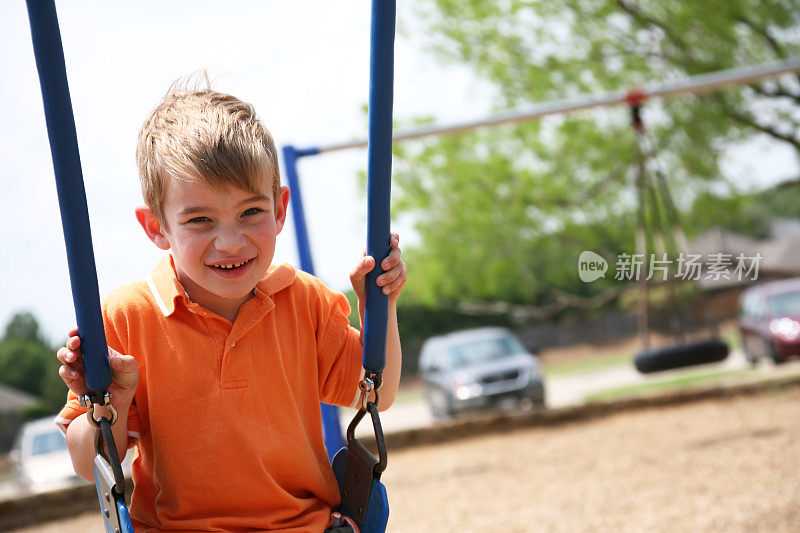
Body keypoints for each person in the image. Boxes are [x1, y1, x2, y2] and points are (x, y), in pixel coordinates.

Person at [54, 81, 406, 532]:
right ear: (156, 226)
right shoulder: (126, 317)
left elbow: (376, 391)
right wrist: (109, 401)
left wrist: (380, 307)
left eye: (250, 213)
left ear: (280, 209)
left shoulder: (304, 300)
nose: (230, 241)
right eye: (200, 220)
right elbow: (90, 464)